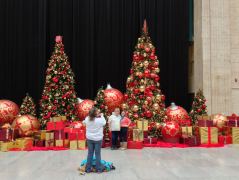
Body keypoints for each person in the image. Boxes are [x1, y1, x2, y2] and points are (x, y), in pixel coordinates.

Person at [83, 107, 106, 173]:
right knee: (97, 154)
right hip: (98, 139)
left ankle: (88, 169)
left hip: (89, 138)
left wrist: (96, 115)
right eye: (97, 112)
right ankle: (98, 169)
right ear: (95, 114)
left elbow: (85, 121)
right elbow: (104, 122)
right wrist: (102, 116)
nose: (99, 113)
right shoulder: (100, 120)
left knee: (90, 153)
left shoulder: (87, 119)